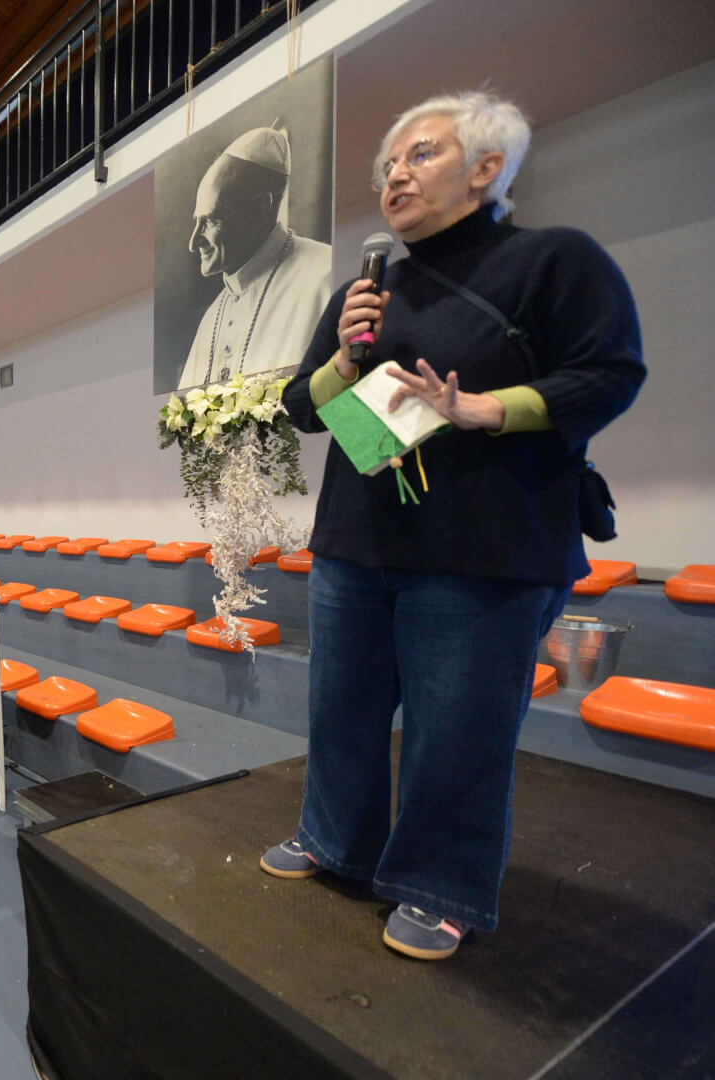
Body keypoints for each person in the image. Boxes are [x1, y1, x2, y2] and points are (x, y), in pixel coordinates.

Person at [263, 92, 645, 961]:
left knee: (456, 733)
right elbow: (301, 410)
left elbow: (608, 374)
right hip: (356, 541)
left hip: (484, 550)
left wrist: (483, 408)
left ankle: (439, 887)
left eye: (419, 154)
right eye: (386, 165)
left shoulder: (551, 260)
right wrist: (341, 360)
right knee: (341, 713)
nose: (393, 175)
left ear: (485, 169)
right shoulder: (364, 290)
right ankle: (334, 840)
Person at [177, 125, 334, 390]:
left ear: (259, 210)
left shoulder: (325, 275)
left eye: (211, 221)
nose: (194, 243)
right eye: (197, 221)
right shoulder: (213, 315)